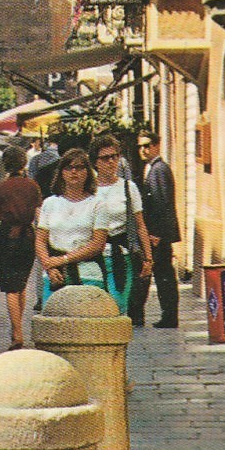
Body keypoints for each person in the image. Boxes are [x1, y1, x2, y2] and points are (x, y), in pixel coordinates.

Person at [35, 147, 108, 302]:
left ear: (88, 172)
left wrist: (64, 259)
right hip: (55, 275)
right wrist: (49, 266)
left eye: (79, 167)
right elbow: (40, 240)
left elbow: (97, 244)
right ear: (61, 172)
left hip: (88, 275)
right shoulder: (50, 203)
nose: (74, 172)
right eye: (69, 167)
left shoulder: (98, 204)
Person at [90, 133, 152, 314]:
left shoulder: (128, 187)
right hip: (93, 256)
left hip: (121, 255)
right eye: (105, 158)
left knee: (117, 307)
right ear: (95, 162)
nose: (111, 161)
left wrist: (148, 258)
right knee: (95, 310)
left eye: (115, 156)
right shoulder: (89, 189)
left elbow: (140, 225)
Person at [0, 145, 42, 349]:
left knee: (10, 288)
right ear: (24, 163)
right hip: (28, 236)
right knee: (21, 286)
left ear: (5, 164)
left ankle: (17, 333)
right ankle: (17, 327)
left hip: (7, 236)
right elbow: (39, 216)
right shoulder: (32, 186)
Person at [133, 131, 181, 328]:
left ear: (156, 146)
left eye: (147, 146)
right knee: (160, 275)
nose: (143, 150)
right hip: (156, 234)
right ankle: (164, 316)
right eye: (140, 147)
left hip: (157, 236)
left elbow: (162, 203)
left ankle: (168, 316)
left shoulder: (159, 169)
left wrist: (157, 234)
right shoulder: (152, 168)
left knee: (161, 276)